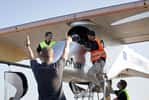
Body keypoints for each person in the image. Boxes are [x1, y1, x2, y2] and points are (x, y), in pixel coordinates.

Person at [26, 35, 72, 100]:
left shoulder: (38, 69)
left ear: (41, 57)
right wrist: (68, 42)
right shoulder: (57, 67)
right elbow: (65, 54)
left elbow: (31, 57)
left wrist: (28, 46)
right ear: (52, 56)